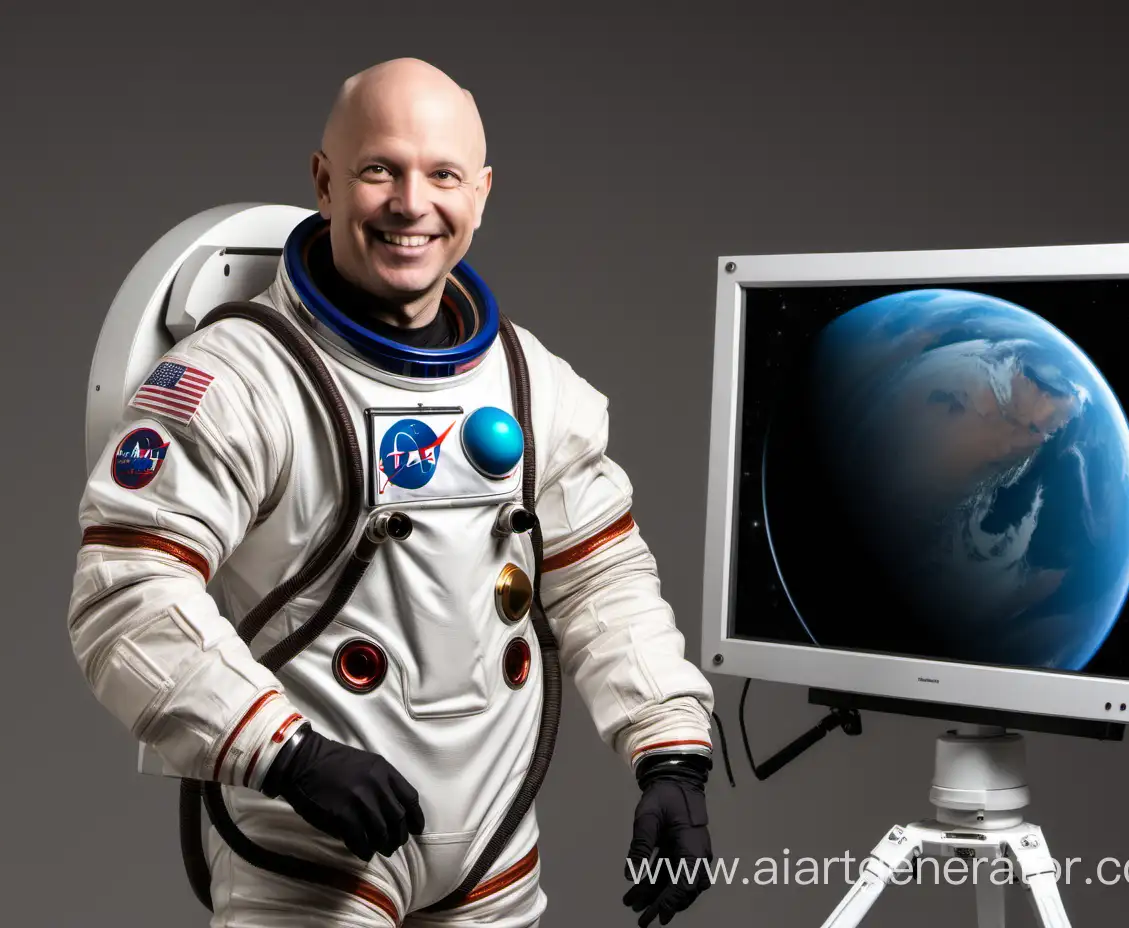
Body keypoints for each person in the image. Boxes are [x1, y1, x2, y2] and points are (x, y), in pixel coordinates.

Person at [67, 58, 717, 928]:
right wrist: (288, 754)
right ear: (325, 183)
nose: (413, 204)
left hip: (492, 848)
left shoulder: (531, 386)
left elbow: (603, 583)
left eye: (443, 174)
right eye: (381, 170)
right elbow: (128, 599)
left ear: (480, 194)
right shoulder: (238, 381)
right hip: (306, 850)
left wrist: (670, 756)